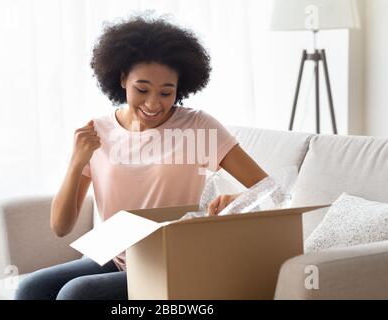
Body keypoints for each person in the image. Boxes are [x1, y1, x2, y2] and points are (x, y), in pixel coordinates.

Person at [15, 14, 268, 300]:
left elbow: (272, 190)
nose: (153, 104)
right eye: (142, 89)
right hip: (116, 255)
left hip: (171, 261)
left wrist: (238, 201)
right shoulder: (97, 131)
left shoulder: (198, 127)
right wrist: (76, 162)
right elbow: (61, 227)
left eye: (166, 92)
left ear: (180, 88)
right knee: (30, 288)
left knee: (76, 294)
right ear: (123, 78)